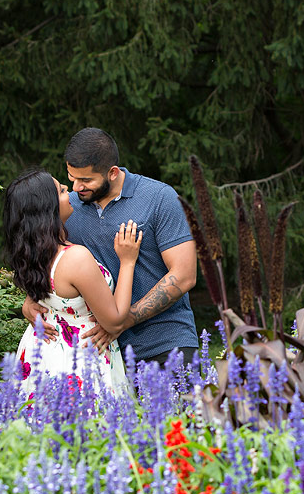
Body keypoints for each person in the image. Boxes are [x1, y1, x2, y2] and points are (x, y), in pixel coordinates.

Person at [22, 127, 199, 371]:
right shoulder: (68, 207)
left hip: (165, 344)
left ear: (112, 173)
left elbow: (184, 275)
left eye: (85, 180)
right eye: (71, 178)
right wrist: (33, 297)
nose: (75, 187)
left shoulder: (159, 198)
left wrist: (122, 321)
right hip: (101, 353)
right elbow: (51, 255)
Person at [4, 168, 142, 396]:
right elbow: (114, 322)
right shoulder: (75, 258)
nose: (69, 190)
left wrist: (28, 302)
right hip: (78, 360)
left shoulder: (32, 253)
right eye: (60, 190)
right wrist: (127, 262)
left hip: (41, 355)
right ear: (47, 208)